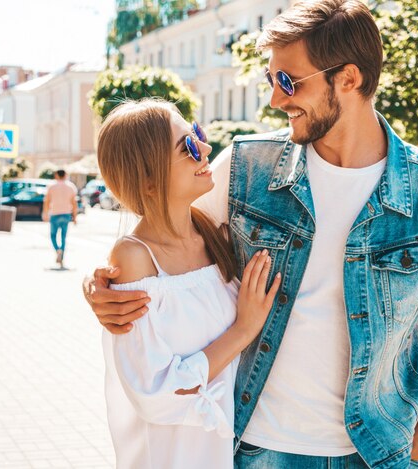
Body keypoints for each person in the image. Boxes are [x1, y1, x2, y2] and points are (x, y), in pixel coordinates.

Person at [84, 2, 418, 468]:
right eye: (271, 80)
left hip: (376, 455)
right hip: (254, 449)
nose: (275, 99)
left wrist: (415, 452)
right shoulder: (243, 168)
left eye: (289, 81)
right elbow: (159, 238)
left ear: (348, 79)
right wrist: (102, 285)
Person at [96, 98, 281, 469]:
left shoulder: (212, 233)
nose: (206, 148)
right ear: (148, 179)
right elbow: (157, 395)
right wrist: (244, 329)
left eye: (197, 133)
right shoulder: (134, 258)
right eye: (189, 146)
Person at [42, 169, 77, 267]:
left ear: (56, 175)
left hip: (54, 214)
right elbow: (74, 203)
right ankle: (62, 257)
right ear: (65, 175)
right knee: (63, 237)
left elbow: (47, 201)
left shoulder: (51, 186)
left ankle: (57, 250)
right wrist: (75, 217)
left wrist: (45, 213)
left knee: (53, 235)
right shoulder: (71, 187)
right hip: (66, 214)